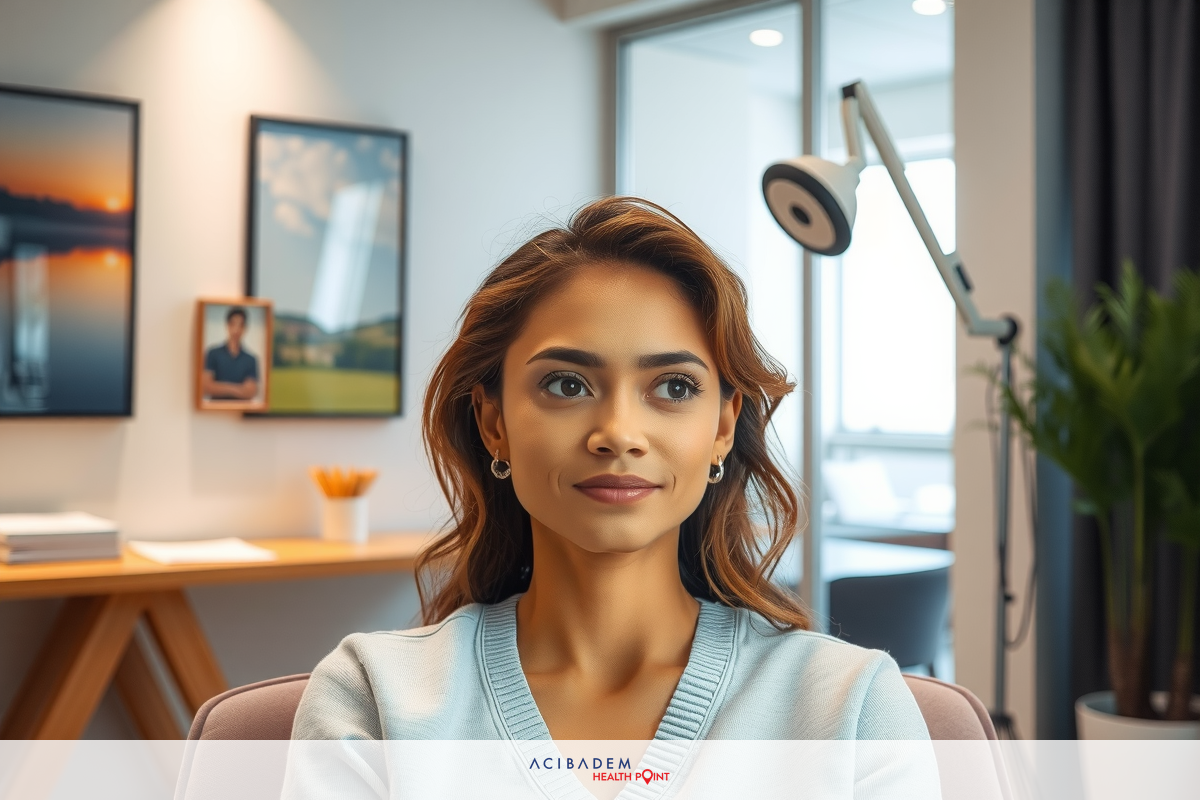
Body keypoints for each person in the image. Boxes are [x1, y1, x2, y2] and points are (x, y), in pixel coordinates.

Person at [283, 198, 935, 797]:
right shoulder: (371, 699)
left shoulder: (850, 710)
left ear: (723, 428)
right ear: (493, 423)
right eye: (566, 385)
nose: (619, 434)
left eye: (674, 388)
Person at [202, 307, 259, 401]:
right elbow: (207, 387)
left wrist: (219, 386)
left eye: (240, 325)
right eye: (233, 324)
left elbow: (250, 392)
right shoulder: (213, 354)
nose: (236, 329)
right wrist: (239, 389)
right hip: (216, 411)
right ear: (227, 326)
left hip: (241, 411)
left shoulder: (251, 359)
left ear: (245, 328)